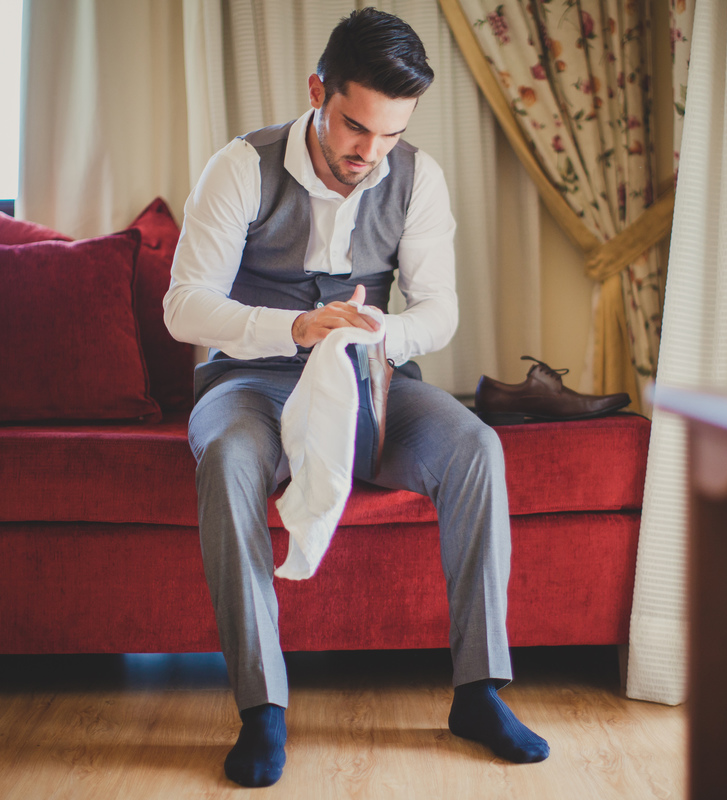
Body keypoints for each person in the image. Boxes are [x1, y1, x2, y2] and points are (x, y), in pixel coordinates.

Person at [164, 7, 548, 788]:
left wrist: (380, 333)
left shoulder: (417, 178)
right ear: (318, 92)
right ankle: (262, 708)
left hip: (371, 379)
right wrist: (294, 326)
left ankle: (479, 692)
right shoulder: (240, 167)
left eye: (390, 135)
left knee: (477, 447)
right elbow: (184, 307)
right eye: (355, 127)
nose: (369, 154)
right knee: (229, 459)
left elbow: (439, 311)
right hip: (250, 382)